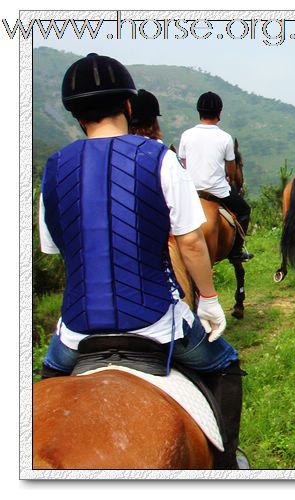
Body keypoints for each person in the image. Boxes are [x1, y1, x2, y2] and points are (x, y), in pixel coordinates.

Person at [38, 53, 245, 469]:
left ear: (77, 116)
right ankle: (228, 464)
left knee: (48, 384)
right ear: (129, 107)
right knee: (225, 365)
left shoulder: (53, 168)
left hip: (76, 331)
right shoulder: (158, 159)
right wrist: (207, 298)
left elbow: (56, 249)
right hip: (155, 323)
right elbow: (189, 243)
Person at [178, 91, 253, 263]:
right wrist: (229, 176)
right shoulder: (225, 138)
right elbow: (231, 168)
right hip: (217, 190)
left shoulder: (186, 135)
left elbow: (183, 164)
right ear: (219, 114)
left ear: (199, 112)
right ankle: (236, 252)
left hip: (191, 191)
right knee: (244, 211)